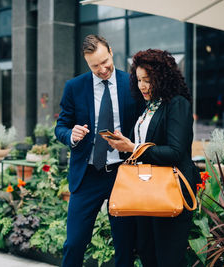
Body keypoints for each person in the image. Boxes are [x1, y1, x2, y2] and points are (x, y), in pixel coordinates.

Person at [102, 49, 201, 267]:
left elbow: (176, 152)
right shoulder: (150, 106)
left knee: (168, 259)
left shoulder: (177, 104)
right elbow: (143, 145)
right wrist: (124, 144)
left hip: (169, 191)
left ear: (163, 77)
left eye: (148, 80)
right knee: (148, 255)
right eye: (138, 80)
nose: (142, 86)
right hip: (145, 192)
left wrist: (134, 147)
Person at [55, 34, 141, 267]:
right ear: (87, 63)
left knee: (124, 245)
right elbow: (60, 126)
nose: (102, 69)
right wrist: (70, 135)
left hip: (123, 174)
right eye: (95, 66)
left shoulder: (132, 83)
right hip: (87, 175)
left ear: (111, 51)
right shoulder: (74, 87)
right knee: (74, 243)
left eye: (105, 62)